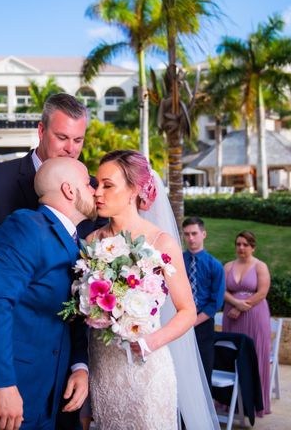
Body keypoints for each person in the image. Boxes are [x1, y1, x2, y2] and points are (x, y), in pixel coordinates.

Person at [0, 157, 94, 430]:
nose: (94, 190)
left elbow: (71, 315)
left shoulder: (78, 244)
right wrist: (2, 384)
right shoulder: (26, 227)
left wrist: (79, 367)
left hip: (42, 393)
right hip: (4, 393)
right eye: (88, 183)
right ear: (69, 191)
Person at [0, 93, 98, 335]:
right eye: (62, 137)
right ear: (41, 131)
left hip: (71, 328)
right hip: (10, 324)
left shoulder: (91, 188)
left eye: (78, 140)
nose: (70, 149)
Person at [87, 150, 218, 429]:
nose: (98, 192)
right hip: (103, 367)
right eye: (96, 184)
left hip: (147, 368)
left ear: (134, 190)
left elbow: (187, 311)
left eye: (107, 185)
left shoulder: (162, 243)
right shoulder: (91, 241)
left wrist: (151, 342)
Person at [222, 230, 272, 417]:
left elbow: (262, 292)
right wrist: (235, 304)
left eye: (245, 244)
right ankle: (231, 401)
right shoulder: (228, 266)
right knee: (232, 356)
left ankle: (255, 403)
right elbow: (223, 290)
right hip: (232, 316)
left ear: (253, 247)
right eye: (238, 244)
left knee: (256, 355)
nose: (241, 248)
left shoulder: (260, 266)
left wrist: (242, 307)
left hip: (255, 315)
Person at [182, 216, 225, 386]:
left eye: (194, 233)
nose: (190, 238)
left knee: (203, 371)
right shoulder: (178, 261)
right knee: (181, 369)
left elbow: (216, 302)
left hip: (203, 324)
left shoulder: (215, 265)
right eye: (187, 234)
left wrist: (192, 321)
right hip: (179, 323)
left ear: (204, 234)